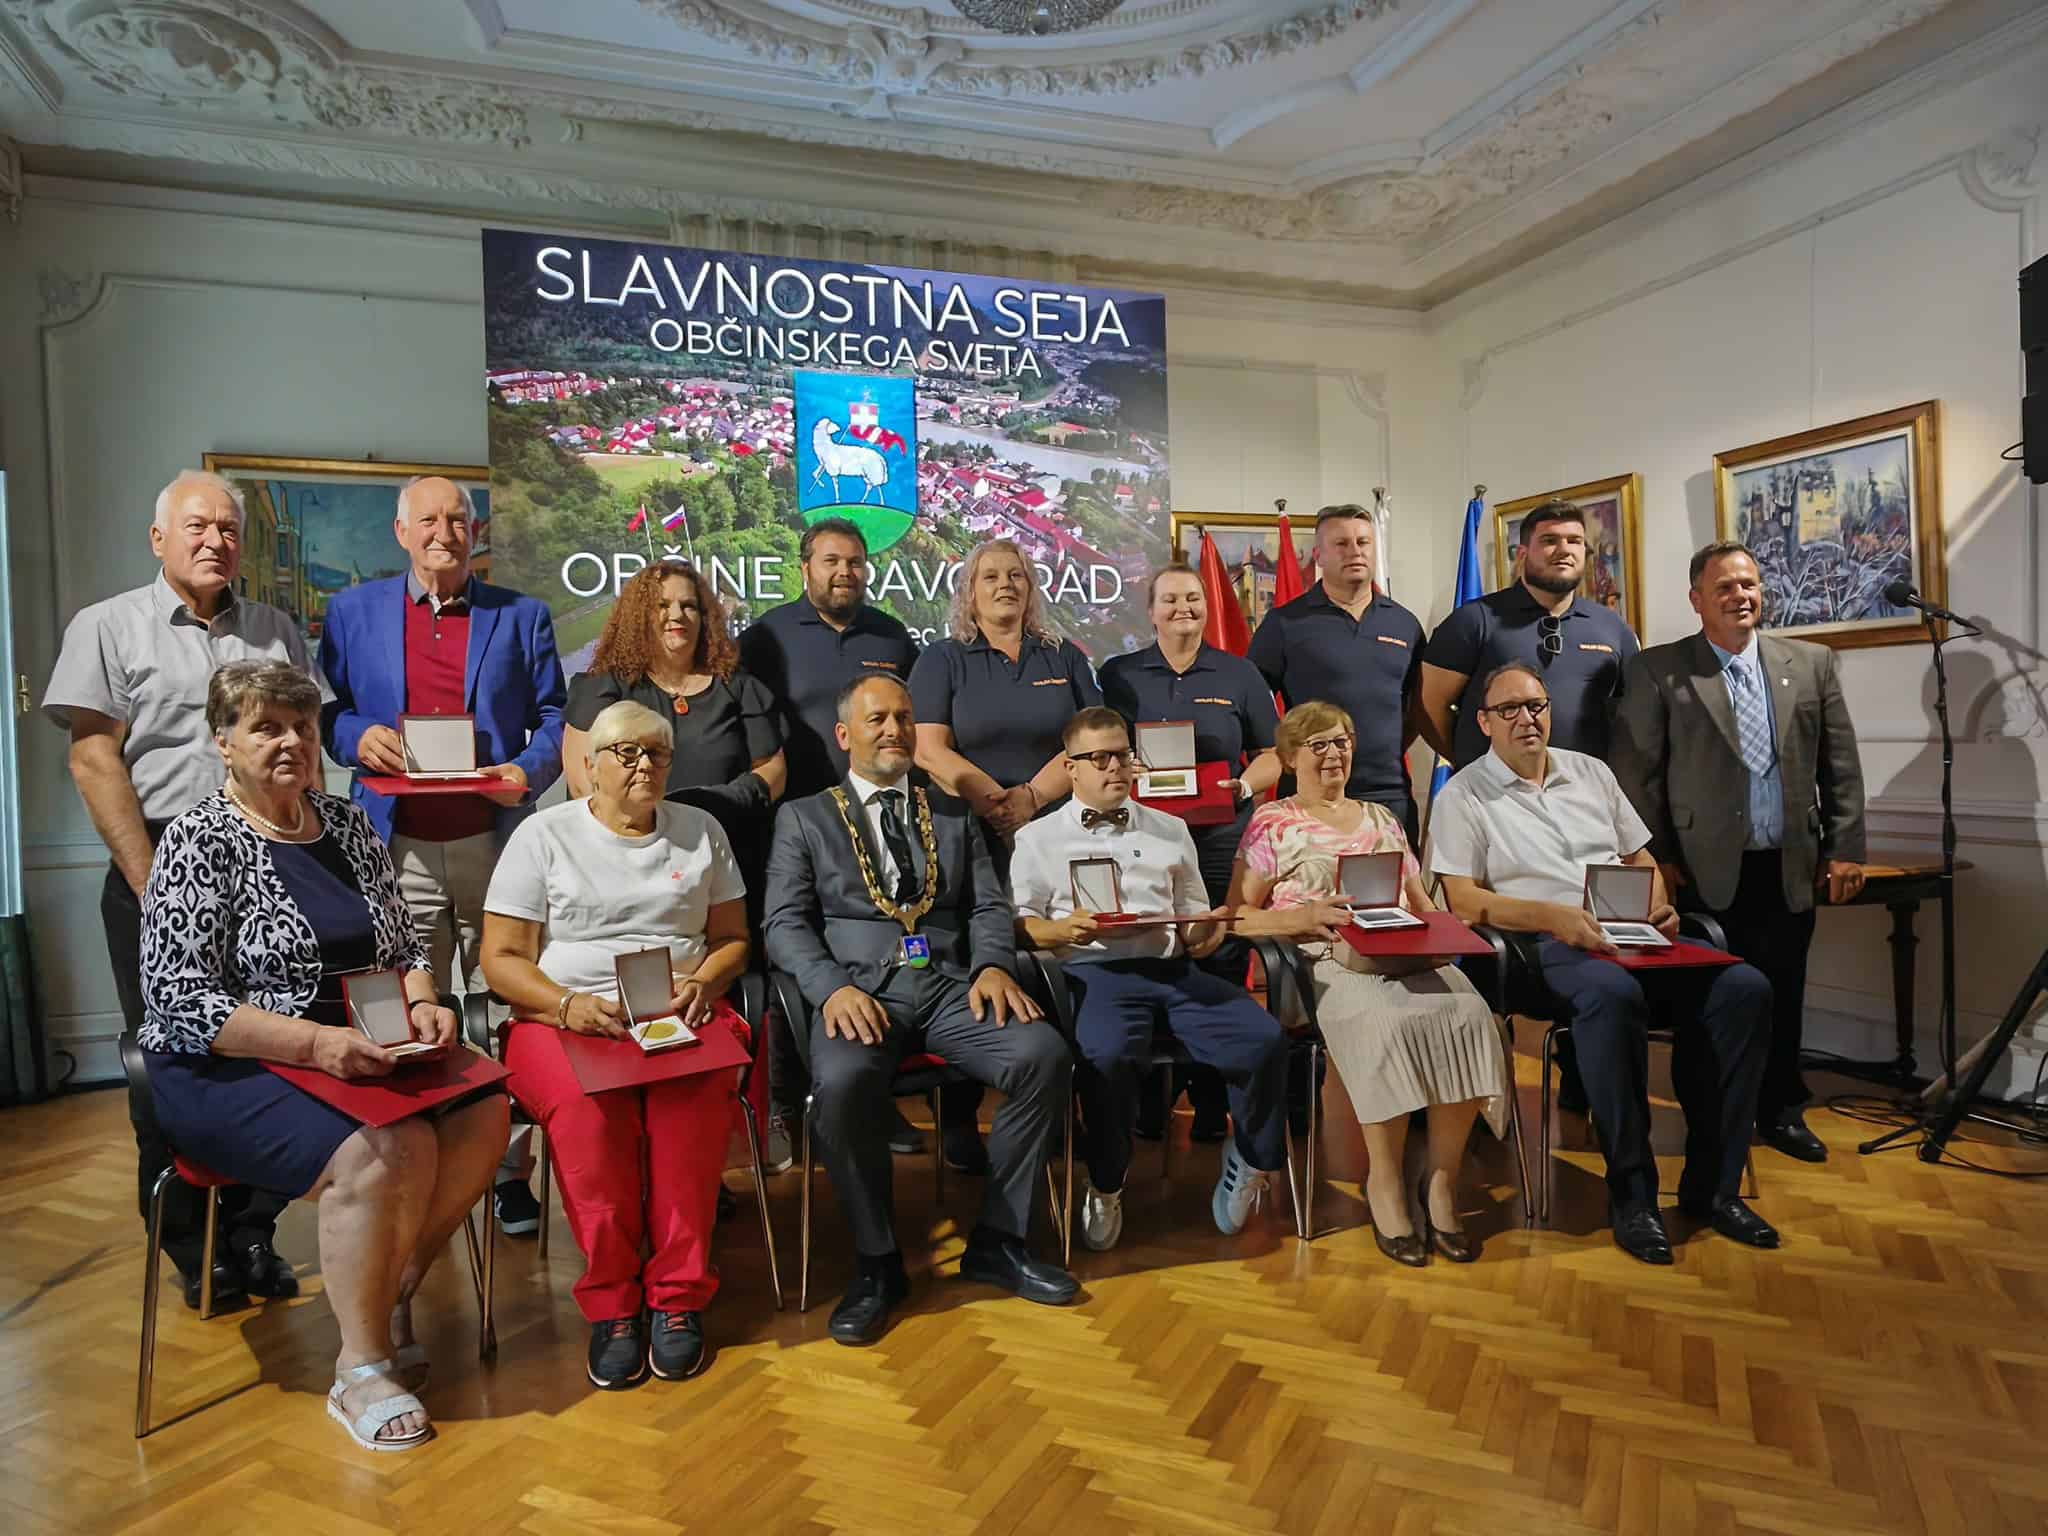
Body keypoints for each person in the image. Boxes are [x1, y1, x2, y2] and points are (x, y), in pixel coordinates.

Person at [139, 661, 510, 1451]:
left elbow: (406, 946)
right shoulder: (197, 840)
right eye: (265, 727)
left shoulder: (346, 824)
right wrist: (314, 1043)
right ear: (223, 742)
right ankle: (360, 1367)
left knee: (484, 1112)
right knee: (388, 1149)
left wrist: (423, 1001)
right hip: (230, 1064)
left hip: (366, 1046)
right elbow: (178, 997)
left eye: (302, 727)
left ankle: (393, 1283)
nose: (291, 742)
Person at [43, 469, 318, 1312]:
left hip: (268, 863)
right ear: (158, 537)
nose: (215, 541)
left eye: (229, 528)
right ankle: (195, 1250)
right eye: (197, 526)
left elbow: (302, 750)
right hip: (158, 858)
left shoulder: (275, 630)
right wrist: (155, 883)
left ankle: (254, 1232)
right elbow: (93, 758)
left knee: (275, 1050)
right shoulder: (107, 626)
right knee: (171, 1062)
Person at [1429, 662, 1779, 1264]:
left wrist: (1660, 907)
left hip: (1628, 934)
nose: (1526, 719)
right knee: (1613, 997)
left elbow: (1641, 859)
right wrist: (1553, 917)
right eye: (1509, 710)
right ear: (1484, 722)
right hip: (1540, 948)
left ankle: (1713, 1190)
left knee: (1744, 988)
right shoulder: (1463, 793)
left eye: (1536, 705)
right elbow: (1463, 900)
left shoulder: (1591, 772)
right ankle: (1634, 1197)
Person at [764, 674, 1077, 1345]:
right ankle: (878, 1263)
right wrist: (830, 988)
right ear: (844, 735)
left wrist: (993, 965)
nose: (894, 730)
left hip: (950, 986)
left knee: (1042, 1055)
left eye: (904, 718)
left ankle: (999, 1241)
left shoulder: (953, 812)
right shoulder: (805, 817)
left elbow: (988, 904)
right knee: (842, 1084)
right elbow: (783, 923)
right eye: (877, 719)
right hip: (857, 994)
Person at [319, 474, 568, 1239]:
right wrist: (355, 735)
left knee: (506, 1010)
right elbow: (327, 710)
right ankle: (420, 1162)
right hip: (396, 848)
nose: (443, 532)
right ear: (401, 532)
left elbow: (555, 716)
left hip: (496, 843)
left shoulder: (522, 615)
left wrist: (526, 770)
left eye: (457, 519)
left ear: (475, 531)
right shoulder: (351, 612)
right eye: (427, 519)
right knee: (407, 1013)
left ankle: (509, 1173)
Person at [481, 701, 752, 1389]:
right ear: (589, 765)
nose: (643, 765)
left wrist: (705, 981)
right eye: (626, 752)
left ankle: (678, 1297)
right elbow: (501, 959)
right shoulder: (543, 835)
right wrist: (566, 1005)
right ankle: (613, 1303)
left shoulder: (701, 831)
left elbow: (732, 940)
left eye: (657, 753)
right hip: (562, 1018)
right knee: (590, 1117)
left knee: (690, 1113)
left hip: (678, 1012)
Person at [1610, 541, 1867, 1164]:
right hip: (1701, 870)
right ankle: (1713, 1116)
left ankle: (1780, 1110)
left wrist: (1845, 848)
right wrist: (1656, 857)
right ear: (1697, 599)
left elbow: (1840, 765)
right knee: (1709, 998)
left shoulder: (1811, 664)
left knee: (1783, 991)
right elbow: (1638, 774)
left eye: (1748, 584)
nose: (1740, 595)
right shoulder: (1659, 669)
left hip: (1788, 863)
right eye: (1724, 586)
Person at [1223, 701, 1506, 1266]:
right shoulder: (1272, 822)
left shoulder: (1382, 819)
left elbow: (1422, 904)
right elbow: (1236, 916)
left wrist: (1450, 932)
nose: (1334, 753)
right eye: (1319, 744)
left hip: (1402, 951)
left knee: (1473, 1016)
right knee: (1385, 1024)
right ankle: (1385, 1181)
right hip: (1320, 959)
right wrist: (1302, 918)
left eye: (1343, 741)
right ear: (1290, 758)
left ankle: (1441, 1183)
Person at [1009, 708, 1288, 1250]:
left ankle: (1250, 1159)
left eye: (1122, 755)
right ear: (1070, 768)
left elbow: (1194, 928)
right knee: (1108, 1056)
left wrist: (1206, 930)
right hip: (1093, 973)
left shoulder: (1171, 828)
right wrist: (1061, 929)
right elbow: (1021, 925)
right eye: (1099, 758)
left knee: (1265, 1039)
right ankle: (1106, 1180)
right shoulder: (1037, 838)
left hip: (1172, 969)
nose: (1115, 766)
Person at [909, 537, 1102, 1172]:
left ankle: (1062, 1103)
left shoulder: (1063, 655)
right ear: (969, 591)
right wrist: (996, 802)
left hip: (1056, 832)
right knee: (975, 958)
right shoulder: (943, 659)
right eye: (990, 576)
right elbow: (928, 748)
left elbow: (1091, 739)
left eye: (1016, 575)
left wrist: (1031, 799)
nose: (1004, 585)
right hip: (968, 835)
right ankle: (960, 1115)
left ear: (1031, 587)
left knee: (1060, 957)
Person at [737, 519, 921, 1163]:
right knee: (790, 960)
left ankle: (871, 1099)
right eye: (832, 561)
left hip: (876, 823)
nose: (845, 572)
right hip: (793, 825)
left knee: (881, 956)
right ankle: (784, 1106)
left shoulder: (890, 636)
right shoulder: (766, 637)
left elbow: (908, 725)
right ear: (805, 567)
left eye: (856, 562)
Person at [1098, 561, 1281, 1142]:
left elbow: (1272, 753)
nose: (1184, 609)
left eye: (1194, 598)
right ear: (1151, 611)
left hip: (1221, 835)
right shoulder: (1119, 674)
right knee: (1152, 951)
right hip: (1143, 837)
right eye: (1171, 599)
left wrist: (1244, 786)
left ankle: (1210, 1100)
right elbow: (1103, 749)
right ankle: (1154, 1098)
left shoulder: (1239, 673)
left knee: (1219, 954)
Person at [1418, 497, 1640, 772]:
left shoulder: (1613, 627)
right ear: (1522, 554)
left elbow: (1632, 713)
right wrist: (1470, 763)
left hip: (1586, 789)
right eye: (1549, 541)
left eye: (1574, 541)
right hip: (1495, 790)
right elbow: (1428, 707)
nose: (1564, 550)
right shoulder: (1473, 621)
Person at [1246, 505, 1426, 845]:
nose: (1355, 551)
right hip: (1309, 797)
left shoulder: (1404, 623)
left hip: (1388, 796)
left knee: (1398, 882)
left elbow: (1418, 707)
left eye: (1363, 542)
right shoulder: (1286, 623)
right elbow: (1251, 703)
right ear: (1318, 555)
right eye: (1341, 544)